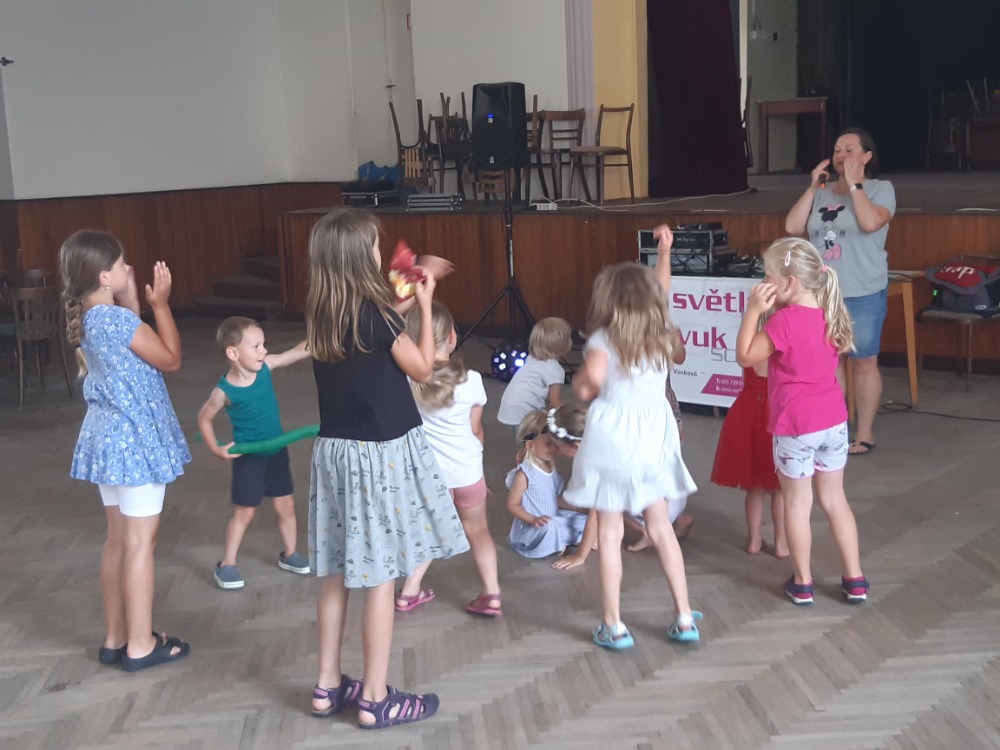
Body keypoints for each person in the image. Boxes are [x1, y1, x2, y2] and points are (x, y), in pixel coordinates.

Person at [304, 208, 468, 729]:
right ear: (362, 257)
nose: (381, 252)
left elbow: (376, 327)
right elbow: (423, 367)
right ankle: (375, 698)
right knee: (380, 576)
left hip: (335, 454)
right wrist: (426, 301)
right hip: (380, 455)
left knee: (335, 572)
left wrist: (410, 290)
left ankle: (327, 685)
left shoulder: (323, 312)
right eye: (375, 246)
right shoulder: (377, 316)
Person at [564, 225, 702, 649]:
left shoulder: (603, 339)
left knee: (609, 532)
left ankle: (614, 625)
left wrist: (581, 382)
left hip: (612, 439)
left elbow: (587, 387)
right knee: (661, 526)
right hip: (654, 438)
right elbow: (663, 295)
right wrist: (665, 253)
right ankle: (684, 616)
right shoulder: (663, 333)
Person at [59, 230, 191, 672]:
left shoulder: (93, 319)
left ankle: (116, 637)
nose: (127, 269)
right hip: (135, 440)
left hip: (107, 438)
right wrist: (160, 305)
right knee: (139, 543)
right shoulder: (115, 321)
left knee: (118, 538)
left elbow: (132, 354)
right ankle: (140, 644)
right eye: (120, 265)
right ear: (103, 276)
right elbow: (170, 358)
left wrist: (131, 300)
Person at [735, 237, 869, 607]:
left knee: (797, 504)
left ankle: (803, 582)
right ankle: (855, 579)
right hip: (834, 422)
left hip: (795, 426)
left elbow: (746, 357)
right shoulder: (830, 311)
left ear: (790, 282)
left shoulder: (784, 322)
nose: (764, 283)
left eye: (768, 276)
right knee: (835, 500)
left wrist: (752, 311)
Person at [784, 127, 895, 455]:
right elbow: (792, 227)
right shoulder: (822, 192)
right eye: (836, 151)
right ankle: (835, 428)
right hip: (822, 293)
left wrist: (855, 185)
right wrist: (812, 187)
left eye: (849, 150)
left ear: (867, 156)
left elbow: (871, 223)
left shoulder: (880, 189)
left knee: (863, 363)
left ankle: (864, 432)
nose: (841, 156)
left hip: (863, 290)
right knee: (828, 363)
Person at [393, 302, 501, 617]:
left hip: (427, 477)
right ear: (452, 337)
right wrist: (477, 475)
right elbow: (476, 431)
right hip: (467, 473)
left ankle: (409, 592)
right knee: (478, 530)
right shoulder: (472, 380)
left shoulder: (405, 381)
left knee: (426, 532)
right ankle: (492, 593)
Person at [196, 317, 312, 590]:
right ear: (233, 353)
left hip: (277, 452)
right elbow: (204, 418)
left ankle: (290, 554)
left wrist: (324, 337)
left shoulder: (266, 367)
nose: (264, 351)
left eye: (263, 344)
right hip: (249, 459)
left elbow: (296, 352)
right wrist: (216, 448)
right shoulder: (224, 391)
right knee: (245, 513)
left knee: (286, 506)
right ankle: (227, 564)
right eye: (256, 346)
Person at [624, 326, 694, 553]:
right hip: (663, 401)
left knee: (641, 462)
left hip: (644, 404)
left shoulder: (629, 331)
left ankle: (652, 526)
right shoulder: (668, 330)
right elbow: (680, 357)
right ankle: (676, 516)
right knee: (667, 457)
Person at [710, 362, 787, 557]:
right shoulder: (781, 348)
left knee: (754, 486)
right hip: (777, 410)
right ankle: (781, 543)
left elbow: (746, 377)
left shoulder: (749, 349)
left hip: (748, 410)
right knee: (779, 489)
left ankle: (754, 540)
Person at [506, 409, 588, 558]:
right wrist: (533, 519)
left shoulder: (552, 469)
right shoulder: (525, 474)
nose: (554, 448)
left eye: (555, 443)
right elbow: (512, 504)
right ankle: (560, 541)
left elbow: (555, 499)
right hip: (534, 527)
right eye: (548, 444)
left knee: (582, 520)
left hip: (552, 516)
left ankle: (571, 538)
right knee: (549, 527)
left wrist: (580, 508)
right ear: (530, 445)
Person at [497, 317, 572, 431]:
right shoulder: (554, 369)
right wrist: (570, 418)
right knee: (541, 439)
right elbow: (554, 402)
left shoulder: (531, 359)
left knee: (527, 439)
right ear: (563, 345)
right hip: (524, 413)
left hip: (508, 410)